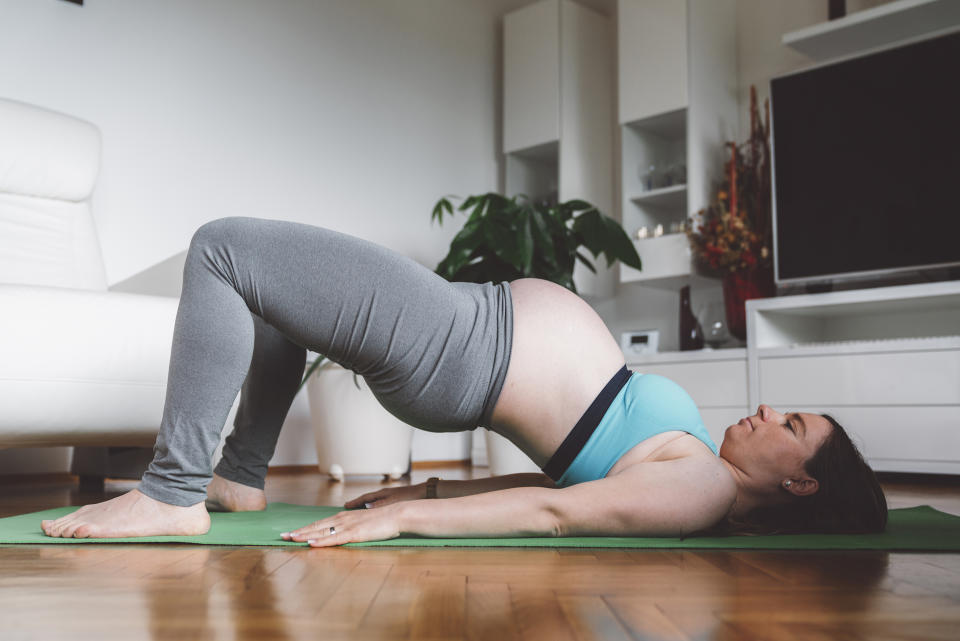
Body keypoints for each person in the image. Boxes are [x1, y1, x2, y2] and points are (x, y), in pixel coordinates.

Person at [40, 217, 887, 544]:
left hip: (459, 344)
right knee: (271, 294)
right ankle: (239, 478)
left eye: (794, 423)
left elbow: (556, 513)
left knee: (222, 249)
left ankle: (173, 490)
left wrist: (403, 527)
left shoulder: (703, 490)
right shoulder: (692, 465)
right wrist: (432, 496)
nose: (772, 409)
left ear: (803, 480)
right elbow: (565, 475)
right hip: (462, 333)